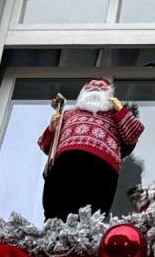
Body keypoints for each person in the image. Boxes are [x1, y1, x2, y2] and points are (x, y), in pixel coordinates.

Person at [38, 78, 144, 221]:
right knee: (57, 208)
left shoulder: (115, 116)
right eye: (91, 85)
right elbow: (45, 145)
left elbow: (133, 134)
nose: (96, 86)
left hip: (101, 169)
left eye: (102, 86)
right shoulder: (68, 114)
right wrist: (52, 129)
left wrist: (121, 111)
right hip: (66, 165)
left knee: (93, 212)